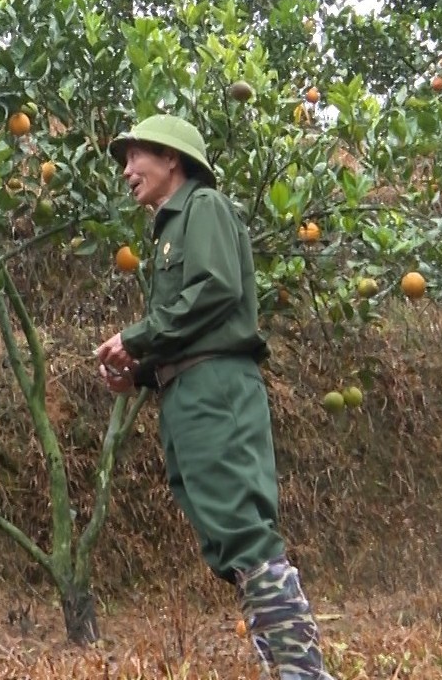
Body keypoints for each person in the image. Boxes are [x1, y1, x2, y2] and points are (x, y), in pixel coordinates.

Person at [94, 114, 334, 680]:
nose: (127, 171)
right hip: (188, 392)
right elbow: (189, 322)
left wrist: (135, 339)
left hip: (215, 389)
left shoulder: (203, 208)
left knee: (243, 533)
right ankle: (287, 668)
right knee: (230, 545)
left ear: (172, 158)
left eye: (137, 157)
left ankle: (305, 673)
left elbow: (216, 291)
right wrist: (142, 373)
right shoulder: (170, 229)